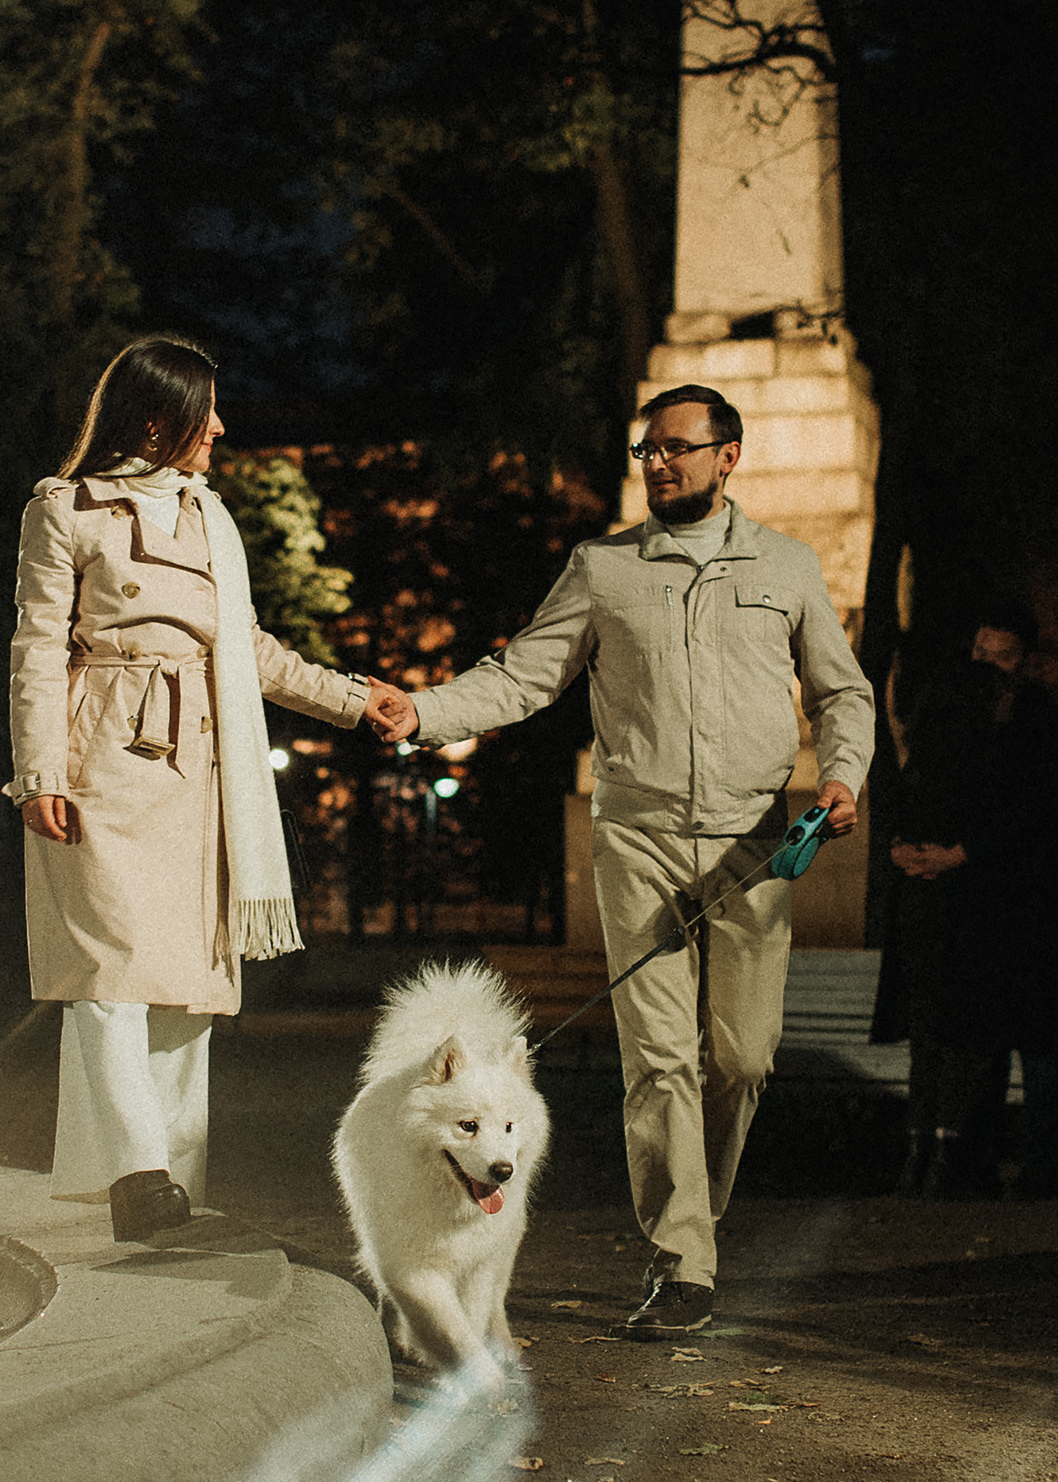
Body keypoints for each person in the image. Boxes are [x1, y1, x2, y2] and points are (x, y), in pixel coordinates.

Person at [368, 384, 873, 1338]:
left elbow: (843, 694)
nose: (659, 464)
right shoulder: (602, 568)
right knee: (660, 1060)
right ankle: (684, 1257)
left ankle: (698, 1211)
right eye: (648, 451)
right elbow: (524, 675)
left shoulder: (789, 565)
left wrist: (842, 777)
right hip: (636, 833)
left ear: (729, 455)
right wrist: (426, 712)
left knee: (743, 1055)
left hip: (755, 844)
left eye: (678, 449)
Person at [9, 335, 409, 1241]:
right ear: (156, 418)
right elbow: (35, 648)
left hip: (200, 765)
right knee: (109, 970)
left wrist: (354, 699)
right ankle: (139, 1174)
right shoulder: (64, 508)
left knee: (187, 984)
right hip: (99, 753)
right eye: (206, 411)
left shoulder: (210, 517)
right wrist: (39, 771)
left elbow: (251, 651)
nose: (220, 427)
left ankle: (171, 1184)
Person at [871, 597, 1058, 1197]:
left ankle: (1040, 1167)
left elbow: (1036, 812)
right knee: (978, 1033)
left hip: (1025, 900)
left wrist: (961, 853)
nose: (986, 663)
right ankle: (971, 1161)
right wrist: (910, 847)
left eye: (1001, 655)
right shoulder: (959, 707)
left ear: (1026, 660)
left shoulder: (1041, 716)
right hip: (974, 902)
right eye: (979, 651)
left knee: (1034, 1038)